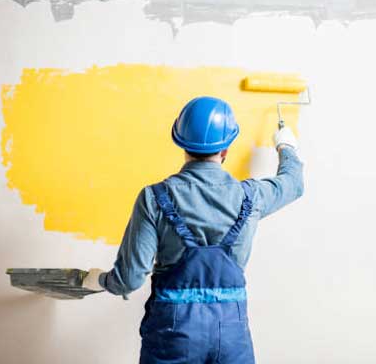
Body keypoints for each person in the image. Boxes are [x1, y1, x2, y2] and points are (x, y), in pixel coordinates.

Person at [82, 96, 304, 364]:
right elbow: (293, 184)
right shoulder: (252, 197)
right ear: (225, 151)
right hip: (232, 333)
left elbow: (129, 279)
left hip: (173, 333)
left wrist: (98, 279)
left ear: (181, 143)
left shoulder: (154, 197)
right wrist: (286, 145)